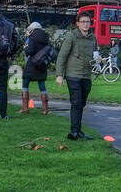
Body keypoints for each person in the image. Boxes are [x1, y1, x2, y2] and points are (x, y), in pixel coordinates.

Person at [56, 12, 97, 140]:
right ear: (77, 23)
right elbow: (62, 56)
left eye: (88, 22)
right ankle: (74, 132)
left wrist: (99, 60)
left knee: (82, 103)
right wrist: (59, 75)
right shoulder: (71, 36)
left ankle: (78, 131)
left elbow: (95, 54)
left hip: (86, 76)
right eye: (83, 21)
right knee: (76, 103)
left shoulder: (92, 38)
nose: (86, 24)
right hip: (73, 75)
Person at [21, 21, 52, 115]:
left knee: (25, 84)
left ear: (32, 29)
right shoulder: (46, 38)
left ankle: (25, 108)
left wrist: (25, 48)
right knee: (42, 85)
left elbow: (29, 51)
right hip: (42, 65)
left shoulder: (32, 38)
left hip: (32, 64)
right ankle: (45, 109)